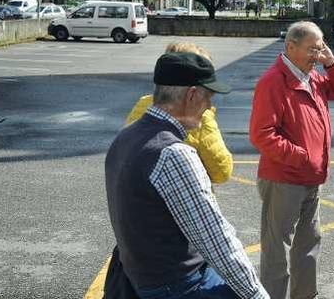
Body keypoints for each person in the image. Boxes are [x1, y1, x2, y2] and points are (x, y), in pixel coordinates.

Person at [105, 52, 267, 299]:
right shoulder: (173, 154)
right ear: (192, 95)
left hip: (140, 278)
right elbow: (216, 240)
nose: (210, 107)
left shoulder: (126, 136)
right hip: (178, 285)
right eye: (208, 97)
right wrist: (256, 295)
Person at [249, 21, 334, 299]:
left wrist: (331, 63)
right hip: (285, 179)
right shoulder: (273, 82)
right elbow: (261, 135)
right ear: (290, 46)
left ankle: (305, 296)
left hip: (312, 177)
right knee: (277, 250)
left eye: (320, 49)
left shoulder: (314, 76)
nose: (316, 56)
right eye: (312, 50)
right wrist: (300, 157)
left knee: (308, 245)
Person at [125, 41, 233, 185]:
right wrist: (207, 120)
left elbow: (128, 155)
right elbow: (222, 171)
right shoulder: (198, 118)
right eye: (207, 95)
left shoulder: (143, 105)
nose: (209, 104)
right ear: (192, 94)